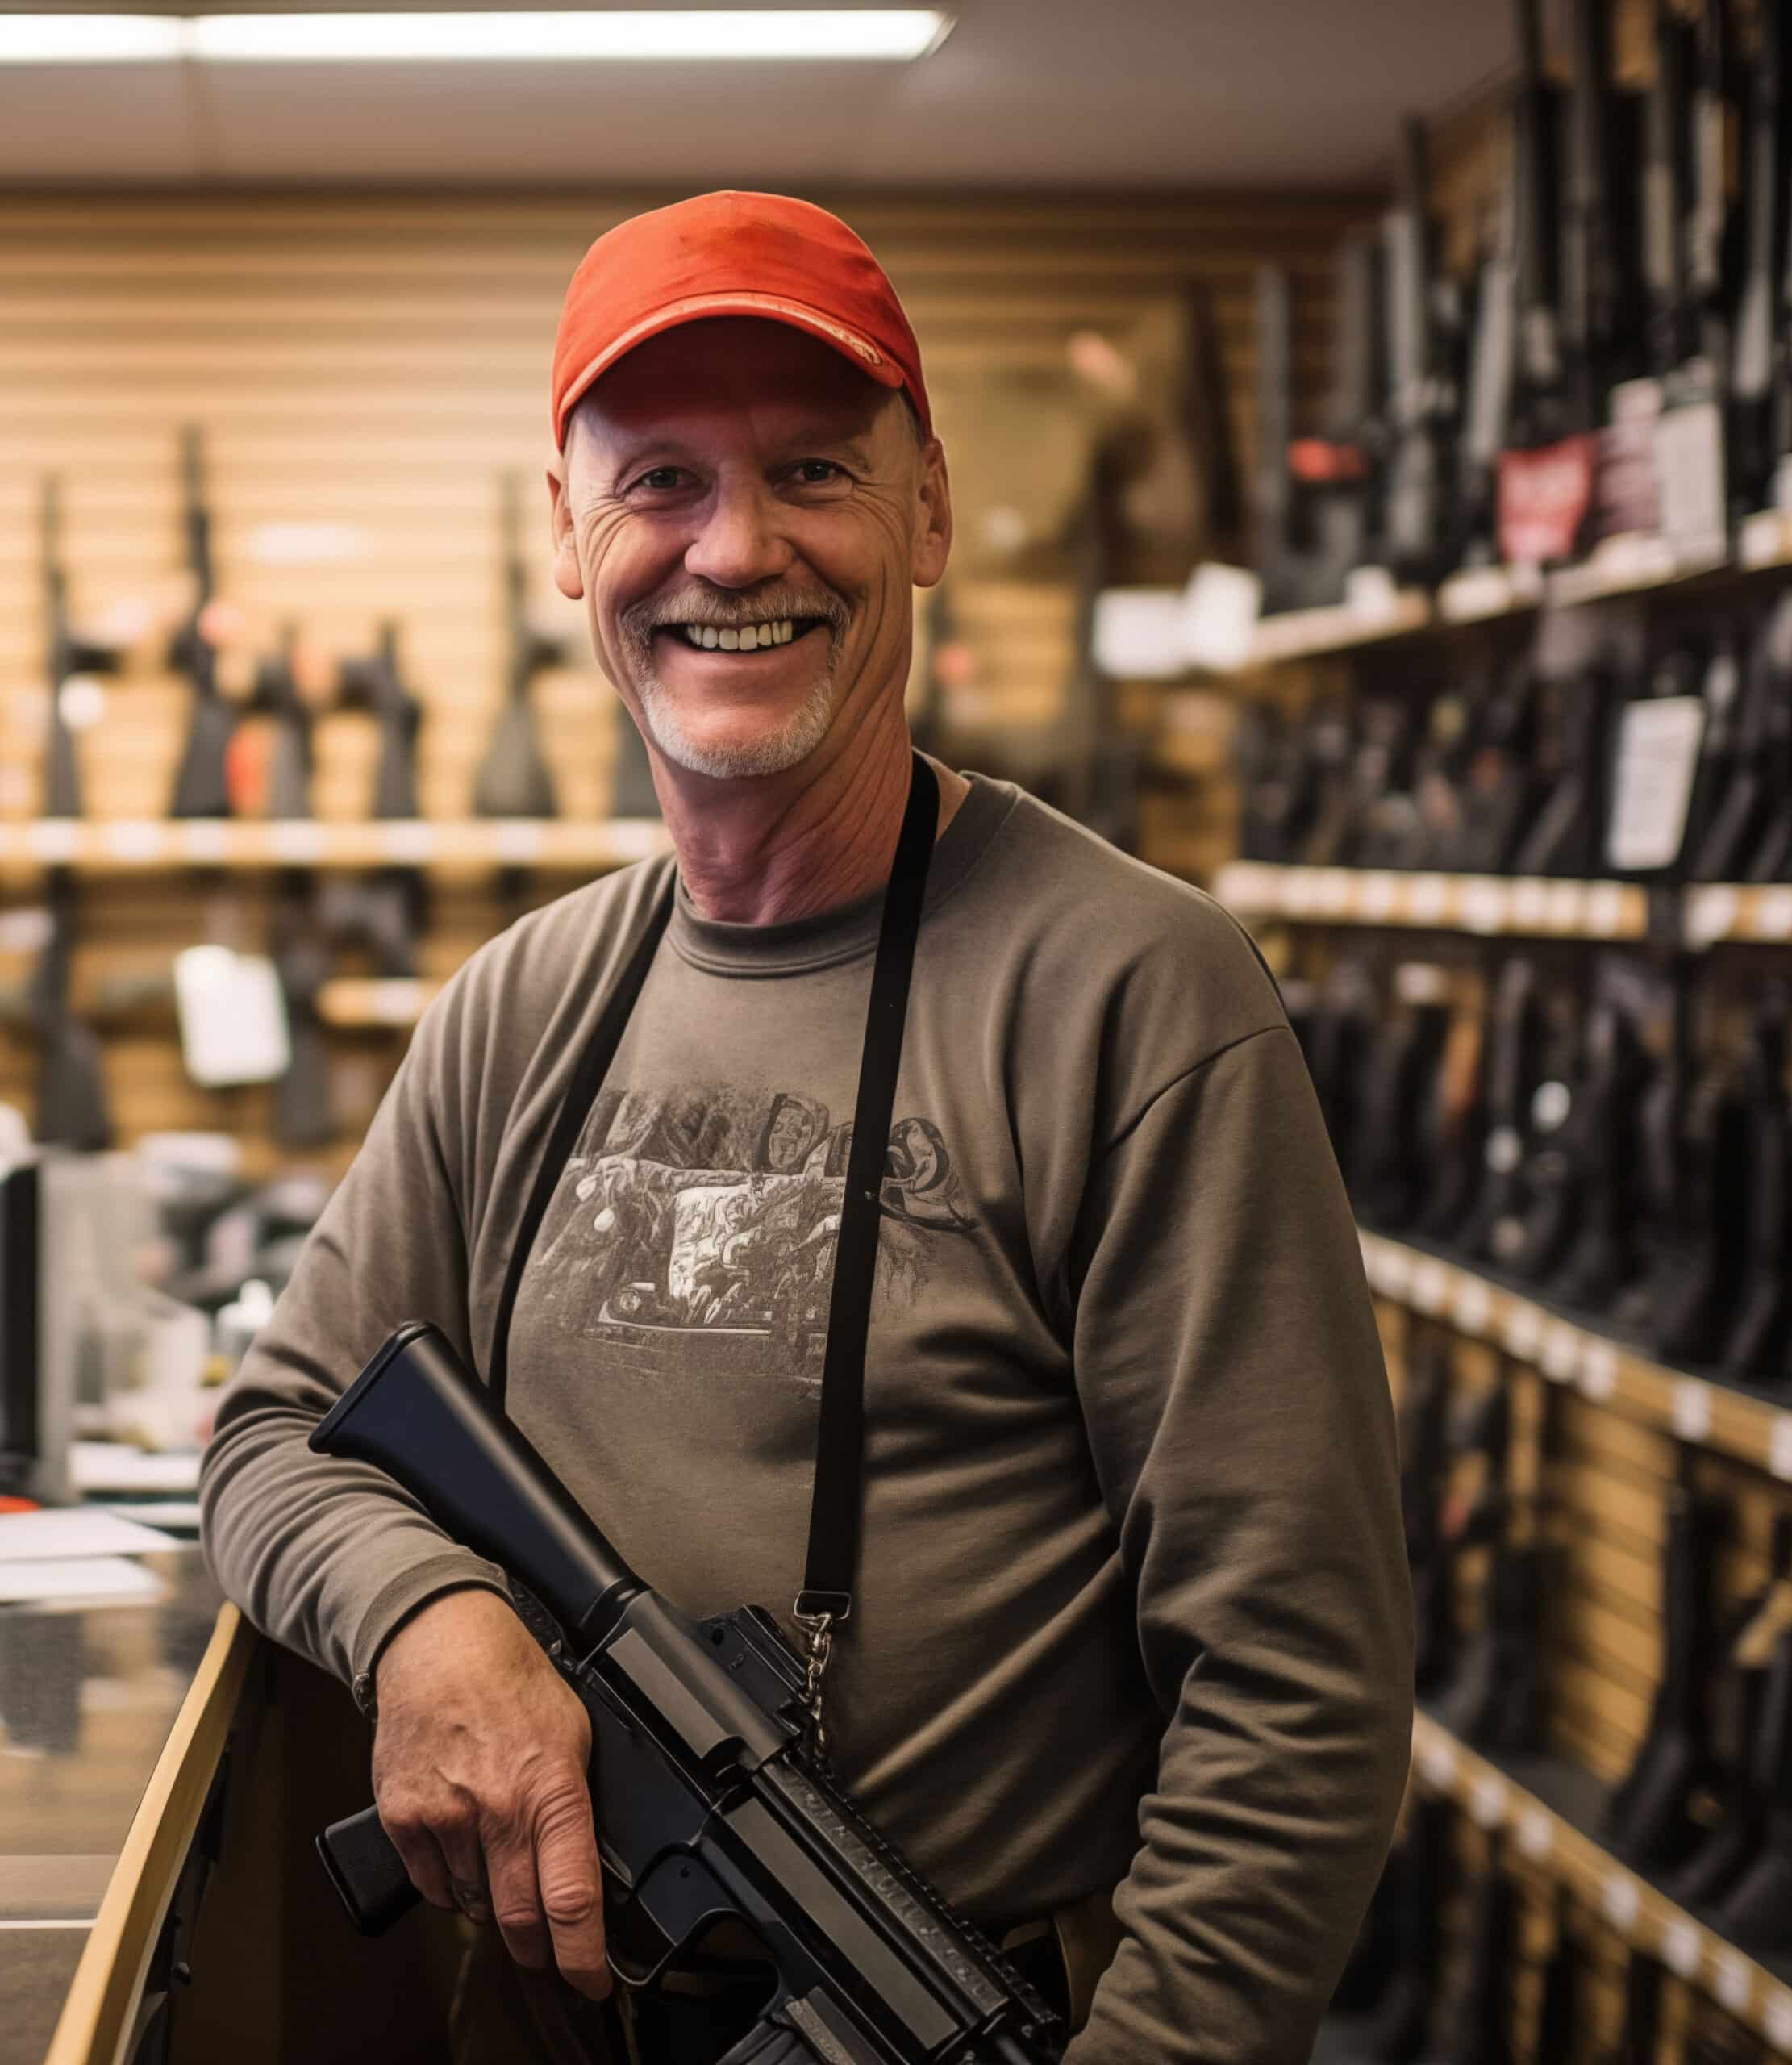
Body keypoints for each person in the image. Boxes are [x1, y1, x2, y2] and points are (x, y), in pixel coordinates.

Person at [199, 190, 1413, 2065]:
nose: (734, 548)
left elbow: (1299, 1700)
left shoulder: (1133, 995)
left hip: (956, 2004)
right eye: (659, 478)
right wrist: (430, 1612)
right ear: (566, 539)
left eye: (813, 471)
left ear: (926, 509)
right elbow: (276, 1435)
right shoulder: (523, 1004)